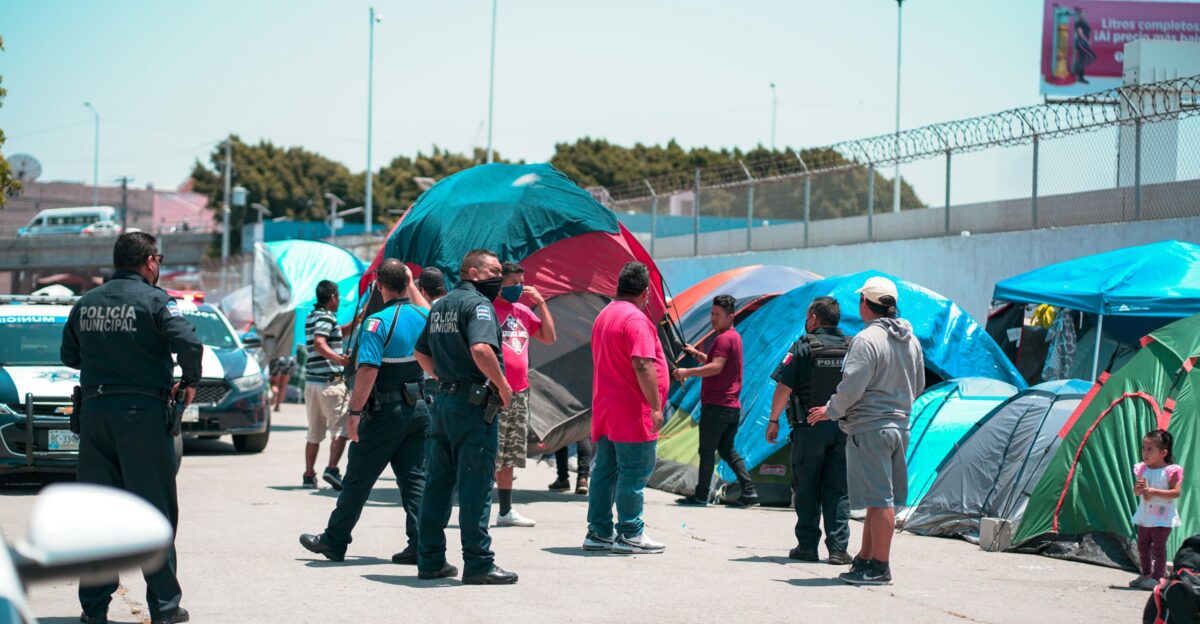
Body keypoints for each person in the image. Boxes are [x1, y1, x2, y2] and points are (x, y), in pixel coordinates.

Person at [60, 232, 201, 624]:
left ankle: (93, 609)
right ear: (150, 262)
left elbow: (68, 354)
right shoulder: (157, 301)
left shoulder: (85, 303)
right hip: (141, 415)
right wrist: (189, 381)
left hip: (94, 415)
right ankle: (165, 608)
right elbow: (189, 344)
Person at [299, 260, 432, 565]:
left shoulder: (377, 322)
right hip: (419, 409)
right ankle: (422, 544)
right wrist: (410, 282)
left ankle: (334, 541)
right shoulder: (424, 315)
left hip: (384, 411)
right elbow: (425, 308)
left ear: (378, 286)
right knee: (415, 481)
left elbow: (368, 369)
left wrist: (355, 413)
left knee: (357, 478)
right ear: (408, 282)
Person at [808, 276, 924, 586]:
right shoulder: (910, 338)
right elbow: (920, 384)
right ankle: (865, 559)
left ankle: (880, 567)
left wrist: (830, 410)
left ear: (864, 304)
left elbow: (852, 386)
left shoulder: (866, 339)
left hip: (870, 428)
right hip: (900, 426)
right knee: (878, 498)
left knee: (880, 499)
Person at [413, 249, 518, 585]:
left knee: (437, 486)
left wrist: (443, 379)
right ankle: (478, 563)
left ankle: (430, 560)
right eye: (494, 271)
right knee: (474, 487)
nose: (499, 277)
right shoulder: (479, 305)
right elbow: (481, 349)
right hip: (472, 408)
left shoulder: (441, 305)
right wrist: (502, 386)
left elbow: (420, 352)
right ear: (473, 272)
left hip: (443, 403)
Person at [583, 261, 668, 555]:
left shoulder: (605, 315)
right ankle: (630, 532)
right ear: (646, 292)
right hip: (632, 410)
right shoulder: (636, 319)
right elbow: (642, 363)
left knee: (604, 471)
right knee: (634, 472)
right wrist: (656, 407)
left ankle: (598, 532)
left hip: (607, 409)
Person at [765, 296, 853, 565]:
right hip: (843, 427)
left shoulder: (803, 346)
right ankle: (838, 549)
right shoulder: (852, 345)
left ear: (814, 318)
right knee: (838, 490)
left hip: (809, 428)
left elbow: (784, 386)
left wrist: (773, 420)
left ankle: (807, 546)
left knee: (807, 487)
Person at [672, 294, 758, 508]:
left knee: (706, 451)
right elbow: (718, 364)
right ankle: (749, 490)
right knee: (727, 450)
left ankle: (701, 495)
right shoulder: (734, 337)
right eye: (712, 314)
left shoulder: (722, 339)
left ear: (731, 316)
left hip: (717, 406)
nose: (713, 318)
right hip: (731, 407)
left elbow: (716, 368)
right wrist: (697, 354)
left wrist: (686, 372)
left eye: (718, 315)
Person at [492, 261, 557, 527]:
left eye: (521, 282)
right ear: (500, 283)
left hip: (520, 392)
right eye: (512, 283)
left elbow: (549, 337)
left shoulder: (522, 311)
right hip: (495, 391)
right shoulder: (488, 310)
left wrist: (541, 304)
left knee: (510, 454)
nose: (518, 288)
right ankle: (479, 506)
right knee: (489, 452)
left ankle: (505, 511)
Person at [303, 280, 354, 490]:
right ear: (332, 297)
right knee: (341, 429)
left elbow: (336, 332)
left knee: (314, 432)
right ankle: (332, 469)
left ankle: (308, 474)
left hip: (312, 383)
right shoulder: (326, 316)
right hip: (330, 384)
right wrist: (339, 359)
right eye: (338, 296)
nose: (339, 300)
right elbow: (320, 342)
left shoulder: (313, 316)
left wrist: (357, 321)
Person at [1130, 429, 1183, 591]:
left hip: (1162, 518)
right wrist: (1138, 489)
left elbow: (1176, 492)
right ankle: (1145, 574)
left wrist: (1153, 492)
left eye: (1150, 449)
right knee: (1142, 546)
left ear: (1163, 452)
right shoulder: (1143, 469)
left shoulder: (1170, 471)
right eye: (1143, 448)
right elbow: (1138, 492)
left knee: (1158, 547)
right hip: (1145, 516)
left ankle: (1157, 578)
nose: (1145, 453)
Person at [1072, 7, 1096, 84]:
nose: (1084, 14)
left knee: (1082, 60)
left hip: (1084, 43)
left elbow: (1087, 32)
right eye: (1082, 13)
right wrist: (1087, 40)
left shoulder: (1085, 22)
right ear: (1079, 14)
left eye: (1085, 13)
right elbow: (1080, 33)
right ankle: (1075, 68)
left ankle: (1080, 77)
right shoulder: (1079, 22)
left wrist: (1089, 40)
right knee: (1092, 56)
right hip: (1081, 43)